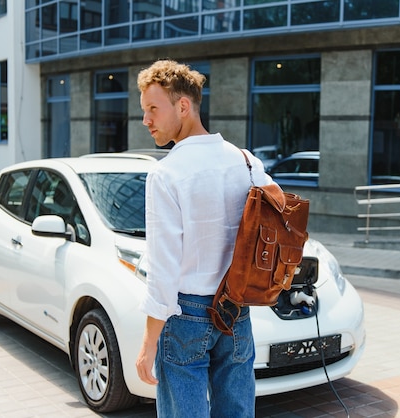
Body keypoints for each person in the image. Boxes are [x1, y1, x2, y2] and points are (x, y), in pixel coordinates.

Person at [135, 59, 272, 417]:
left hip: (186, 316)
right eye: (144, 110)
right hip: (236, 308)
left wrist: (149, 343)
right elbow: (278, 219)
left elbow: (163, 269)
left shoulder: (166, 174)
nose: (146, 120)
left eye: (153, 108)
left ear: (183, 106)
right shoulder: (244, 161)